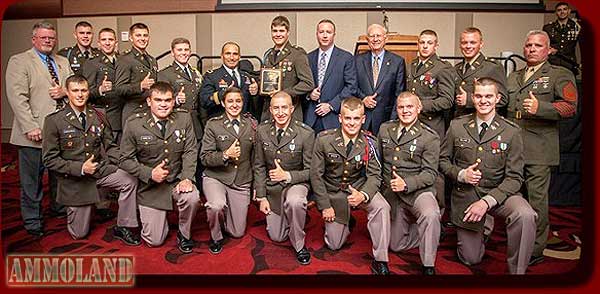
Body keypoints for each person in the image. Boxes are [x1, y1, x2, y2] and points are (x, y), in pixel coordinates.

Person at [439, 77, 536, 275]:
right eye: (479, 96)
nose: (484, 101)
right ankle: (484, 226)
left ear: (498, 98)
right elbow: (442, 162)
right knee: (470, 258)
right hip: (467, 195)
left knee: (525, 215)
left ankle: (518, 271)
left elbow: (515, 178)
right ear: (473, 98)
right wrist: (460, 174)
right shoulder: (457, 126)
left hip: (500, 194)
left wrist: (487, 202)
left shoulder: (511, 132)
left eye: (489, 96)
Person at [506, 30, 577, 266]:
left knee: (537, 201)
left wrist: (542, 108)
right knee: (514, 198)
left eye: (538, 45)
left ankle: (535, 249)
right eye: (528, 45)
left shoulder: (559, 74)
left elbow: (570, 108)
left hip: (539, 148)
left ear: (549, 50)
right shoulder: (514, 76)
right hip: (513, 147)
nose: (532, 49)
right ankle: (516, 240)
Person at [42, 75, 140, 245]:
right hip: (76, 179)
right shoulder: (54, 120)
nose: (80, 95)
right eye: (75, 91)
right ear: (67, 92)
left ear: (88, 92)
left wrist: (127, 163)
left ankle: (124, 225)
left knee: (129, 179)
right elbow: (49, 160)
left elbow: (110, 146)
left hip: (100, 171)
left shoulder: (99, 115)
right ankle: (89, 205)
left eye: (84, 90)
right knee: (79, 234)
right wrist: (80, 168)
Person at [5, 21, 72, 237]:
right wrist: (30, 126)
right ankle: (33, 221)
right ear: (34, 39)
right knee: (32, 181)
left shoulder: (62, 61)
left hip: (60, 131)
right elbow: (17, 97)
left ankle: (58, 208)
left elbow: (72, 89)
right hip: (34, 132)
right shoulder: (20, 61)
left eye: (51, 38)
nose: (48, 41)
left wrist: (65, 91)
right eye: (43, 38)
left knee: (59, 175)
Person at [311, 97, 391, 275]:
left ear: (363, 119)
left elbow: (374, 175)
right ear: (340, 118)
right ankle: (346, 219)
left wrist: (363, 195)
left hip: (359, 187)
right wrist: (324, 206)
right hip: (334, 192)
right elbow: (316, 176)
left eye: (356, 119)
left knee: (382, 207)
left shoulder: (370, 141)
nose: (352, 123)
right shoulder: (324, 139)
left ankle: (381, 260)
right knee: (334, 245)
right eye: (348, 118)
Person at [119, 82, 200, 253]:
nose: (163, 104)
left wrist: (187, 177)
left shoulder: (183, 118)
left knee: (192, 197)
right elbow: (125, 159)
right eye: (158, 100)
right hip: (150, 188)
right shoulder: (134, 123)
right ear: (149, 101)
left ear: (173, 101)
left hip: (176, 180)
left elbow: (190, 150)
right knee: (154, 241)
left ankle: (184, 234)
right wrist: (149, 173)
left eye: (168, 100)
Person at [377, 92, 441, 275]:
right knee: (396, 245)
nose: (405, 111)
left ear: (419, 108)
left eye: (409, 107)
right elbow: (379, 161)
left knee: (430, 214)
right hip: (392, 192)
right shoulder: (385, 129)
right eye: (401, 107)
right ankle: (430, 233)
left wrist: (406, 183)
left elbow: (430, 174)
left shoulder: (429, 137)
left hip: (418, 190)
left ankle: (428, 264)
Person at [254, 91, 314, 265]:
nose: (280, 112)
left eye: (284, 108)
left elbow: (311, 171)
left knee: (295, 201)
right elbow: (258, 165)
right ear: (271, 110)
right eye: (276, 108)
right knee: (277, 236)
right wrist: (261, 196)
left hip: (297, 183)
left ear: (292, 109)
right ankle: (289, 215)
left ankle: (299, 244)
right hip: (272, 187)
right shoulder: (262, 130)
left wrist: (287, 176)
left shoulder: (305, 133)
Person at [201, 87, 256, 254]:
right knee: (216, 205)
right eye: (230, 101)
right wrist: (225, 155)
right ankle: (216, 236)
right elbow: (204, 157)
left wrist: (256, 186)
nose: (234, 105)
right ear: (224, 104)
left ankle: (225, 216)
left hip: (241, 179)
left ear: (243, 102)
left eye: (238, 101)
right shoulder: (213, 124)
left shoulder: (252, 124)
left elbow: (256, 158)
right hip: (216, 177)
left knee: (237, 233)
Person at [405, 29, 454, 214]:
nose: (425, 46)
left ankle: (438, 213)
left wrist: (420, 105)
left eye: (429, 43)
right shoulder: (412, 65)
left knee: (435, 169)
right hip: (413, 125)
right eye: (422, 42)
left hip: (433, 126)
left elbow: (447, 100)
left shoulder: (443, 68)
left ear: (436, 45)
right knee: (414, 166)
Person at [306, 19, 357, 133]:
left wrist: (331, 105)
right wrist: (309, 94)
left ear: (334, 35)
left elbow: (351, 87)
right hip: (311, 119)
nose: (324, 36)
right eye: (321, 32)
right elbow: (303, 83)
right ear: (316, 34)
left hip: (333, 118)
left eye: (328, 32)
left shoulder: (346, 58)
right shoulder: (308, 57)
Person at [261, 15, 314, 122]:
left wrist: (284, 93)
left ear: (288, 33)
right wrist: (257, 86)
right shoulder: (268, 55)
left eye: (281, 31)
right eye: (275, 31)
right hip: (269, 113)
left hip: (290, 113)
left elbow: (308, 83)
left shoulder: (297, 54)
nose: (278, 34)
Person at [355, 23, 405, 135]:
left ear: (385, 38)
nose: (375, 39)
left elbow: (399, 94)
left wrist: (393, 121)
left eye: (378, 36)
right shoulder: (357, 60)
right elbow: (353, 86)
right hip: (362, 118)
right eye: (372, 36)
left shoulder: (397, 62)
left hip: (386, 119)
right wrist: (363, 99)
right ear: (367, 40)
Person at [451, 27, 508, 117]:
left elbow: (503, 99)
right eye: (464, 42)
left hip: (481, 122)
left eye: (473, 42)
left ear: (481, 44)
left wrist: (469, 100)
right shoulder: (456, 68)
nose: (468, 46)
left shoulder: (492, 67)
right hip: (458, 123)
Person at [199, 41, 258, 125]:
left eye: (235, 54)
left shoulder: (247, 76)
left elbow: (253, 106)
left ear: (239, 56)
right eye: (228, 54)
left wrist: (255, 93)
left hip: (244, 125)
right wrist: (223, 93)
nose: (231, 57)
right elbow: (204, 101)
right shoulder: (212, 76)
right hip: (221, 125)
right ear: (222, 56)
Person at [115, 22, 158, 127]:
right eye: (138, 35)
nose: (142, 39)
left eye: (145, 35)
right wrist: (140, 86)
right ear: (130, 38)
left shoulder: (152, 60)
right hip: (134, 111)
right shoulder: (125, 59)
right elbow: (119, 89)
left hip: (150, 111)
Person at [542, 2, 581, 75]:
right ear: (556, 12)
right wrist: (549, 49)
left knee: (569, 85)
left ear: (569, 11)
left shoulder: (576, 27)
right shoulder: (548, 28)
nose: (562, 12)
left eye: (565, 9)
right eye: (559, 10)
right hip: (553, 63)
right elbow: (543, 44)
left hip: (569, 63)